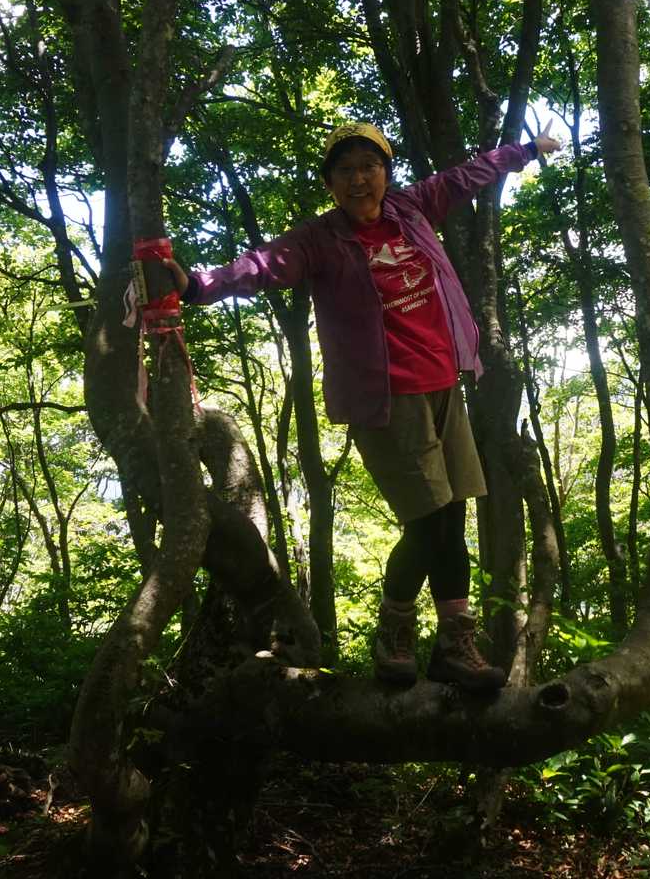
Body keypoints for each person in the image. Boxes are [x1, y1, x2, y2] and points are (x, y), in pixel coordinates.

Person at [164, 121, 562, 692]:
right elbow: (263, 265)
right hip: (386, 400)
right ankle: (395, 633)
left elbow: (465, 176)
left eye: (369, 166)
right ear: (330, 183)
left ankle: (453, 644)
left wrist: (523, 151)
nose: (359, 179)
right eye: (345, 170)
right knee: (428, 525)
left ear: (386, 172)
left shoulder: (411, 209)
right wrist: (197, 286)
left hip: (443, 383)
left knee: (451, 519)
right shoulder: (320, 240)